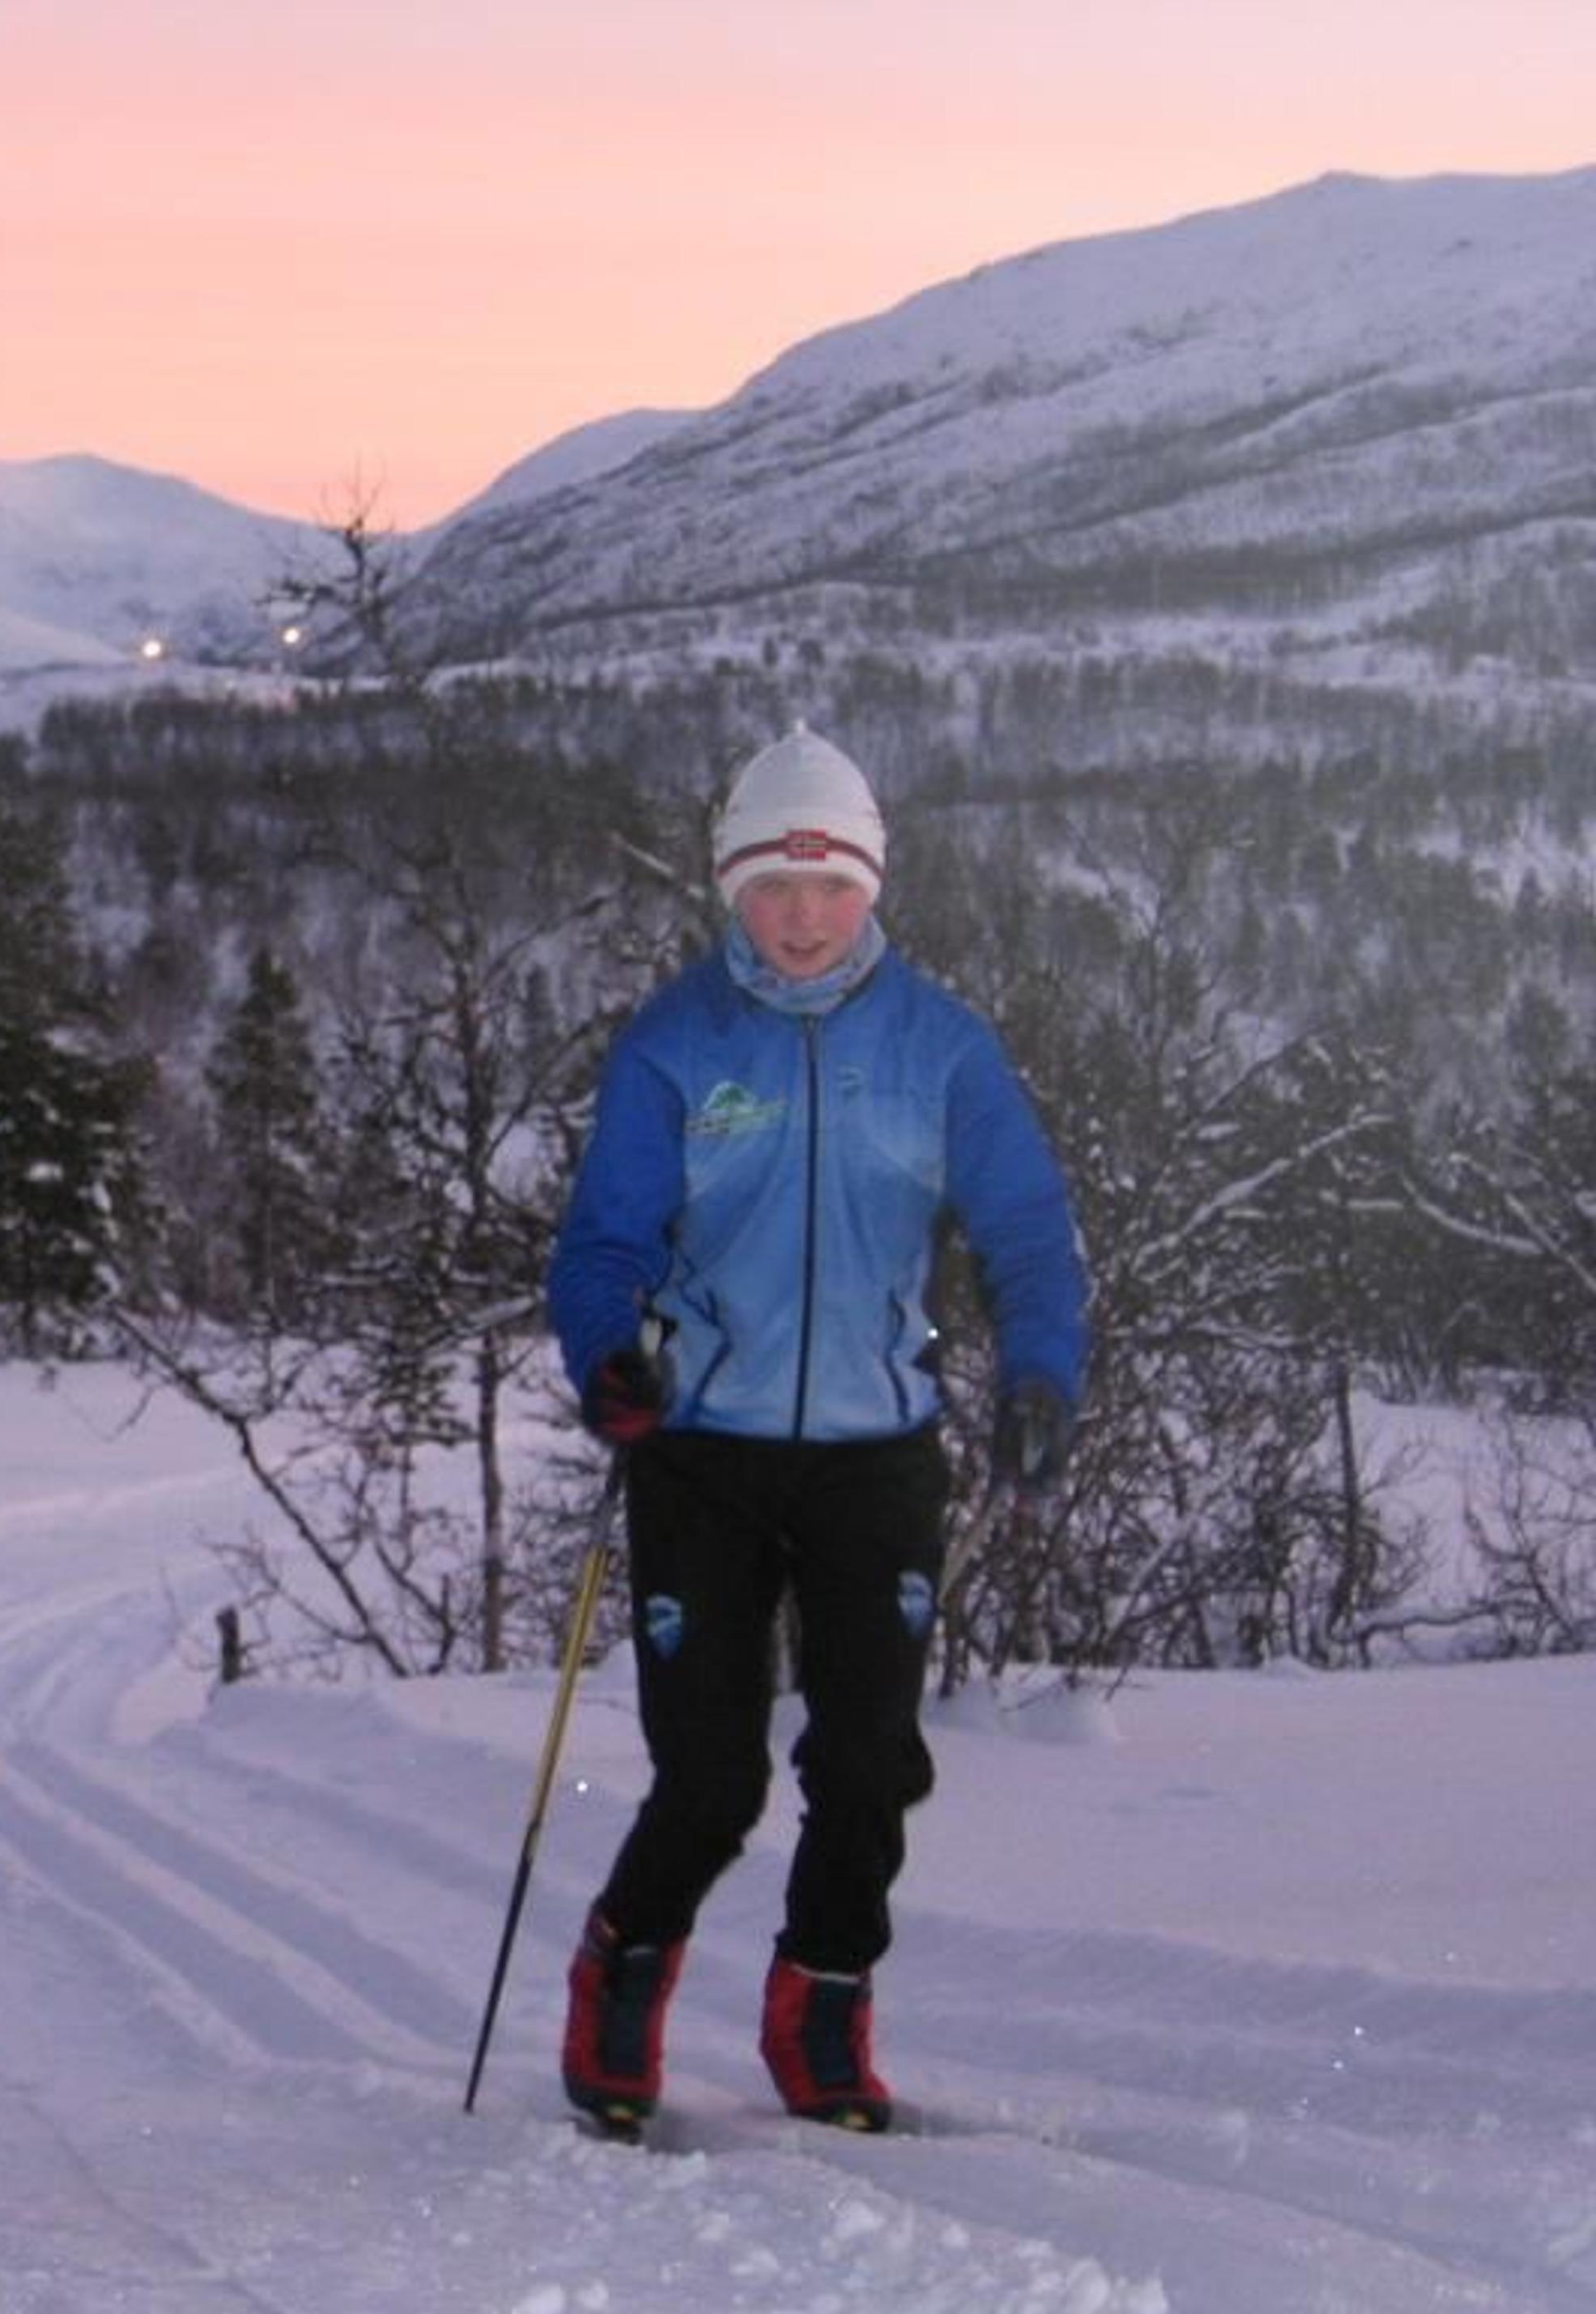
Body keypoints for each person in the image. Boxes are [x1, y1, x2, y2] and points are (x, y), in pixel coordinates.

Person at [543, 724, 1087, 2136]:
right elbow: (603, 1243)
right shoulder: (674, 1046)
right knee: (712, 1777)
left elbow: (1026, 1233)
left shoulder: (941, 1048)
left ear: (870, 887)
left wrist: (1041, 1376)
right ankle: (622, 1979)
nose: (802, 915)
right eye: (775, 887)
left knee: (867, 1765)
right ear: (733, 888)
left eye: (831, 885)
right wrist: (611, 1360)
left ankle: (822, 2013)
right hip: (705, 1454)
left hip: (874, 1454)